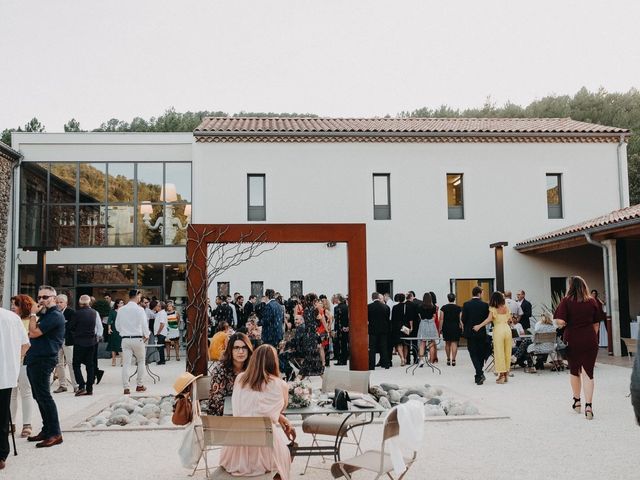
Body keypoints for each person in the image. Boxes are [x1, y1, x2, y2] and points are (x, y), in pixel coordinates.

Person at [219, 345, 294, 480]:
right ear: (274, 362)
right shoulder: (281, 385)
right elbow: (278, 410)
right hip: (266, 450)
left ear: (253, 360)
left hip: (235, 453)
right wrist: (282, 418)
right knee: (284, 457)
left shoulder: (240, 379)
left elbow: (250, 408)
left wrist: (280, 417)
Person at [554, 276, 600, 420]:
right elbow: (596, 324)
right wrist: (591, 337)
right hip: (589, 339)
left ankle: (577, 401)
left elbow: (560, 321)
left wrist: (561, 324)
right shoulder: (592, 301)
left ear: (570, 287)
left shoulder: (566, 301)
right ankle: (589, 406)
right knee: (588, 372)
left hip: (572, 339)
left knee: (575, 371)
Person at [26, 285, 65, 447]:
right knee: (38, 396)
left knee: (44, 396)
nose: (41, 300)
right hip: (36, 358)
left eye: (45, 297)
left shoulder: (54, 315)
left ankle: (55, 433)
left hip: (44, 359)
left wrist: (33, 313)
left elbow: (34, 333)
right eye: (39, 297)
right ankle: (47, 429)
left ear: (54, 299)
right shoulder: (47, 314)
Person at [0, 307, 31, 470]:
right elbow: (25, 345)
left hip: (5, 374)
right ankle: (1, 453)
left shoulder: (12, 317)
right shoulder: (13, 318)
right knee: (3, 413)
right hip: (6, 374)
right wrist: (13, 359)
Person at [9, 295, 36, 438]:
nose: (13, 306)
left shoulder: (31, 320)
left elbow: (30, 340)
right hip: (10, 361)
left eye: (16, 304)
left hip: (25, 360)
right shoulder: (10, 320)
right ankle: (11, 422)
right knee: (12, 393)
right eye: (12, 304)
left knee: (26, 391)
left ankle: (27, 424)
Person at [208, 332, 253, 416]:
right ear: (230, 350)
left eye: (244, 347)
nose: (241, 351)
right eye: (236, 348)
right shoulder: (220, 370)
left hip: (250, 414)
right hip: (225, 416)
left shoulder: (254, 369)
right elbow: (215, 402)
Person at [115, 290, 150, 395]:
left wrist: (123, 332)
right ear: (137, 296)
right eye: (139, 296)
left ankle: (126, 387)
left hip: (125, 338)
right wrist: (147, 335)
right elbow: (144, 324)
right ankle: (139, 385)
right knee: (141, 361)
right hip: (137, 338)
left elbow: (117, 326)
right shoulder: (140, 310)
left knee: (126, 363)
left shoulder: (121, 310)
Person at [473, 292, 512, 384]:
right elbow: (510, 320)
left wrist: (479, 326)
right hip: (507, 330)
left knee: (499, 352)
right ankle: (506, 374)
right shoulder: (506, 307)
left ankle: (501, 376)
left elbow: (489, 319)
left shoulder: (493, 308)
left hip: (498, 330)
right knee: (507, 352)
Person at [461, 286, 490, 385]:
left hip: (470, 333)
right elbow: (487, 318)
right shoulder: (485, 305)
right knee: (481, 353)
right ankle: (479, 374)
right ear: (479, 294)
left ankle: (479, 374)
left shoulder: (466, 304)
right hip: (481, 332)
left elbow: (463, 319)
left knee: (473, 353)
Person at [53, 294, 77, 394]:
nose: (58, 304)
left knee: (71, 363)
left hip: (68, 341)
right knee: (58, 364)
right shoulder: (53, 313)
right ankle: (62, 385)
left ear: (66, 303)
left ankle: (76, 385)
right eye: (57, 302)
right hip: (56, 341)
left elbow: (73, 327)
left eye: (61, 302)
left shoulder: (71, 312)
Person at [299, 293, 325, 377]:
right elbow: (317, 323)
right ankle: (321, 376)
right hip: (313, 334)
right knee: (314, 355)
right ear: (313, 301)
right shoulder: (315, 310)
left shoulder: (305, 310)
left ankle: (300, 376)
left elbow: (308, 322)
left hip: (307, 334)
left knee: (309, 356)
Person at [368, 292, 391, 369]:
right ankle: (386, 364)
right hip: (384, 330)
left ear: (372, 298)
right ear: (378, 297)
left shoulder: (368, 307)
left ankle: (371, 365)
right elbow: (387, 319)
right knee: (384, 347)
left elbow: (367, 319)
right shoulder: (386, 307)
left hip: (373, 330)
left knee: (372, 348)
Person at [439, 293, 463, 366]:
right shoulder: (459, 308)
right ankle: (454, 360)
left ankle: (448, 359)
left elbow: (441, 319)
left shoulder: (443, 308)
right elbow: (460, 319)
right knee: (454, 343)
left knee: (447, 343)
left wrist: (440, 328)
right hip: (455, 326)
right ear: (454, 298)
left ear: (448, 298)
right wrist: (462, 326)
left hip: (446, 326)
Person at [416, 293, 438, 366]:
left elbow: (419, 316)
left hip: (423, 324)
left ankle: (421, 360)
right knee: (431, 342)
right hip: (431, 324)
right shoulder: (433, 306)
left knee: (422, 343)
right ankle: (431, 361)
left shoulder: (420, 306)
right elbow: (434, 317)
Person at [390, 293, 409, 366]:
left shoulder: (395, 307)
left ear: (398, 299)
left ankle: (402, 358)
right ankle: (405, 358)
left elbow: (393, 318)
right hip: (405, 326)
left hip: (397, 327)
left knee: (399, 343)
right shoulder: (406, 306)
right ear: (404, 299)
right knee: (405, 343)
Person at [333, 294, 349, 366]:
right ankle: (344, 360)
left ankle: (340, 360)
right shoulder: (347, 307)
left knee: (339, 345)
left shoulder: (337, 308)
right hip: (345, 328)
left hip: (339, 328)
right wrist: (347, 326)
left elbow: (337, 320)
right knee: (344, 344)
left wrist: (335, 330)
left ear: (338, 299)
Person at [106, 299, 124, 366]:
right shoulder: (112, 311)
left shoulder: (124, 311)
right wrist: (109, 329)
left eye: (123, 303)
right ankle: (113, 360)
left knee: (122, 345)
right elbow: (109, 321)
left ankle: (122, 361)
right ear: (117, 304)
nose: (122, 304)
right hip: (114, 329)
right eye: (121, 302)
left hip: (122, 330)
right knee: (113, 345)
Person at [152, 300, 168, 365]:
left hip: (161, 333)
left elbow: (162, 324)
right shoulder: (159, 313)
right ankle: (162, 360)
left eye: (157, 306)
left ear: (160, 307)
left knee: (160, 347)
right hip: (159, 333)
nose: (156, 307)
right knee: (160, 347)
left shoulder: (162, 313)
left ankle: (162, 361)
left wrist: (158, 332)